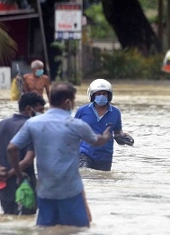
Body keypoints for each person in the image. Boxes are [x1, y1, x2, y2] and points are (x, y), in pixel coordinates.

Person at [7, 82, 112, 227]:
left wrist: (19, 175)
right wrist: (106, 137)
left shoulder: (33, 123)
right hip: (71, 191)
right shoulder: (76, 125)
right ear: (68, 102)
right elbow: (96, 141)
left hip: (45, 191)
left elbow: (11, 148)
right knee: (77, 234)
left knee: (45, 234)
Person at [0, 92, 46, 214]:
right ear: (29, 109)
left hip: (3, 186)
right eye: (40, 110)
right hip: (25, 184)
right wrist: (13, 174)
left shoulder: (0, 125)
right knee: (26, 224)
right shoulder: (32, 127)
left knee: (8, 221)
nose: (43, 114)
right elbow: (28, 160)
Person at [75, 79, 131, 171]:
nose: (101, 96)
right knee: (85, 174)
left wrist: (124, 136)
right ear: (92, 95)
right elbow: (73, 130)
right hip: (85, 153)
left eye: (104, 94)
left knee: (103, 179)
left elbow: (117, 131)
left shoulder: (115, 112)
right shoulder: (82, 111)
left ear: (109, 95)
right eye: (98, 94)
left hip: (105, 155)